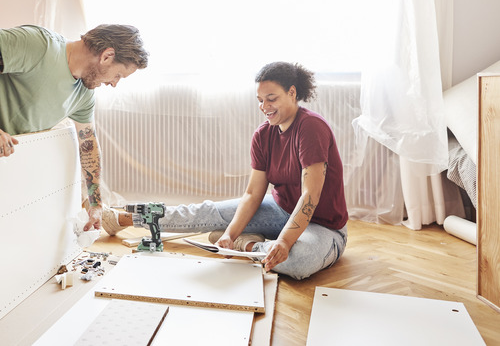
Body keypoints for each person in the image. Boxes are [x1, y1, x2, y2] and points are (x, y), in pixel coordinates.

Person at [102, 61, 348, 280]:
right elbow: (253, 194)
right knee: (209, 212)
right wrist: (229, 234)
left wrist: (284, 242)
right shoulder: (263, 135)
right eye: (260, 100)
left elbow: (310, 196)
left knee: (298, 260)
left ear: (292, 93)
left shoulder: (311, 128)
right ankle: (126, 218)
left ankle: (248, 246)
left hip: (323, 225)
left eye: (271, 99)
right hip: (281, 210)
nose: (264, 106)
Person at [0, 24, 149, 231]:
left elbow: (88, 144)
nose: (114, 84)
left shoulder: (84, 94)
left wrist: (96, 204)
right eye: (118, 75)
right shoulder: (40, 46)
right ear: (107, 56)